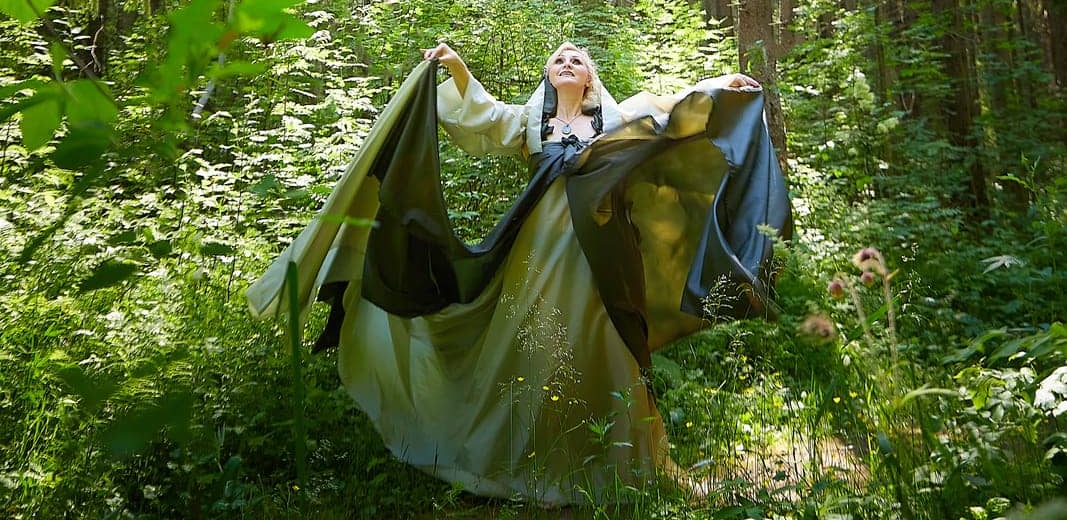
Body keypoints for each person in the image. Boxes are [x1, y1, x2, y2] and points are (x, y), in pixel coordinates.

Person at [247, 40, 790, 507]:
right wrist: (456, 67)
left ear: (591, 74)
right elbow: (478, 115)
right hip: (537, 251)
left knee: (606, 344)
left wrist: (725, 81)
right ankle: (529, 461)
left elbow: (678, 108)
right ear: (549, 77)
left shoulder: (620, 117)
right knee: (533, 346)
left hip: (602, 255)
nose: (568, 62)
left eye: (577, 58)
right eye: (559, 59)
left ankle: (619, 464)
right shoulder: (531, 121)